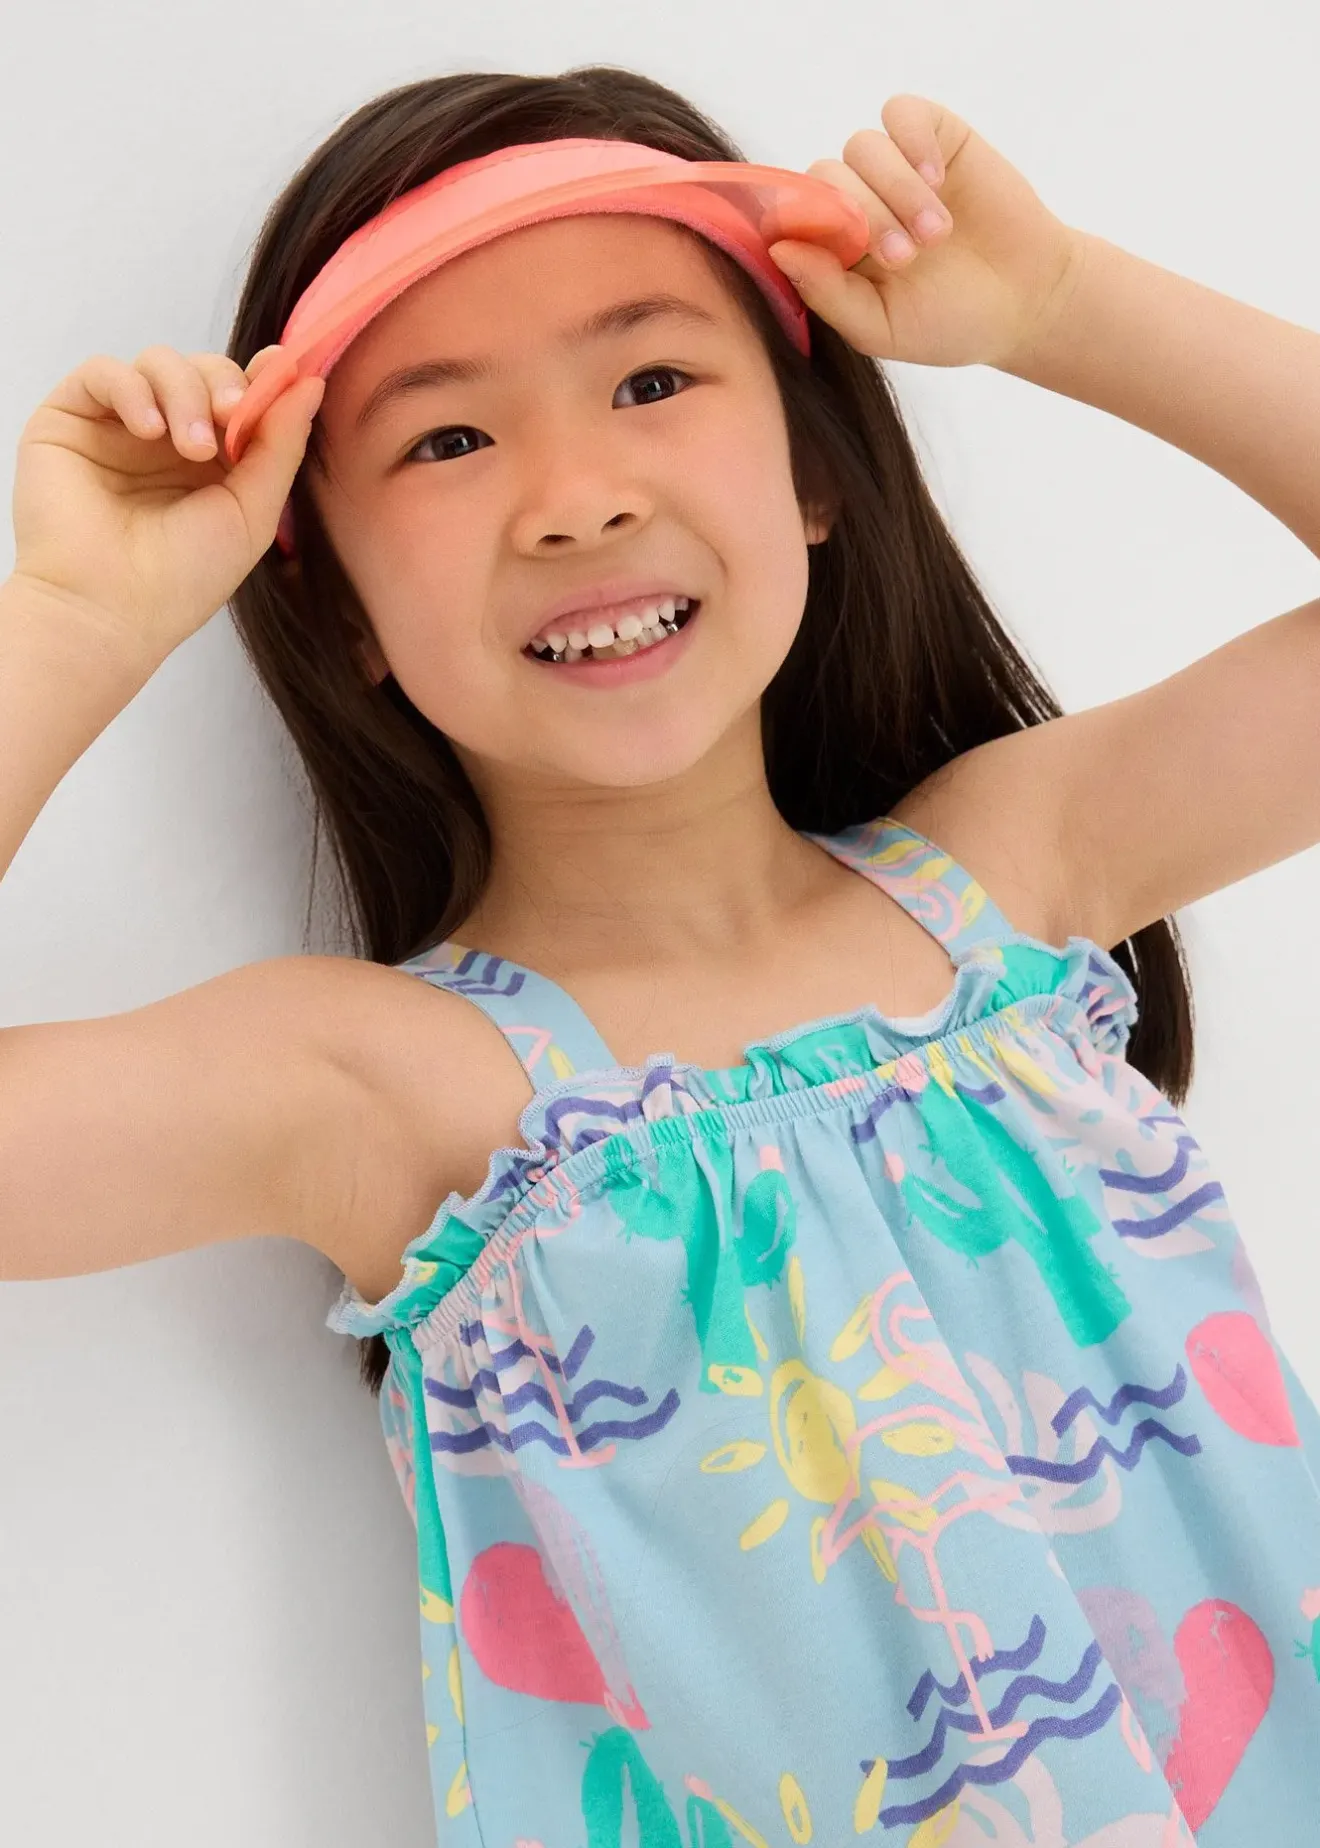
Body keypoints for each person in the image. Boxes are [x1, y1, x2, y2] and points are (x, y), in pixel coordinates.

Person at [3, 60, 1318, 1848]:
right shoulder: (395, 1092)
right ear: (340, 609)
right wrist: (75, 616)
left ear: (816, 473)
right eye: (447, 440)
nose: (576, 499)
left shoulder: (1014, 880)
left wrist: (1065, 305)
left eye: (651, 381)